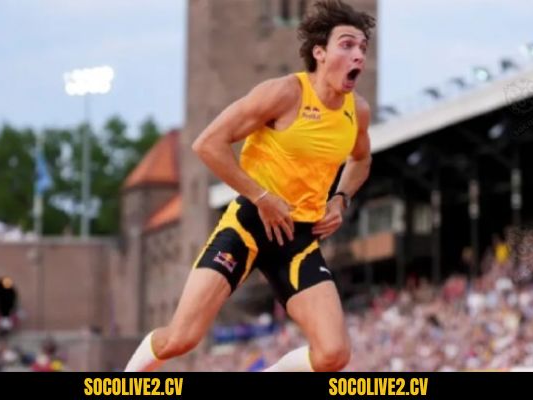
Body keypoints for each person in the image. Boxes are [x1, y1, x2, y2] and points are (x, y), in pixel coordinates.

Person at [124, 0, 374, 372]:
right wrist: (262, 197)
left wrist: (340, 198)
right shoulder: (284, 93)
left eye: (363, 48)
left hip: (298, 239)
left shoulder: (358, 111)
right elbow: (208, 143)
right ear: (319, 53)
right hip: (249, 226)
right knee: (181, 338)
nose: (358, 55)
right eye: (347, 45)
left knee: (333, 354)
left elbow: (361, 159)